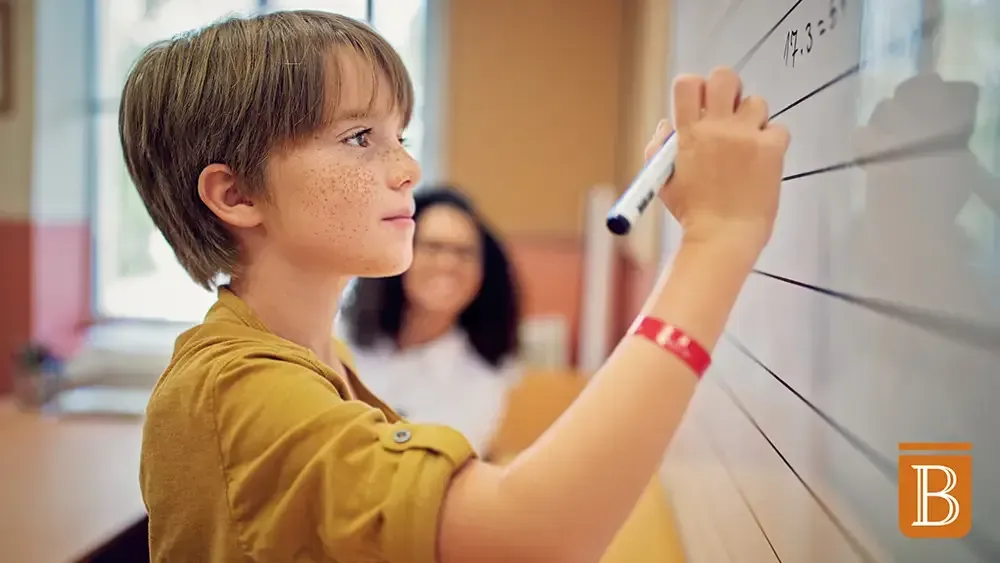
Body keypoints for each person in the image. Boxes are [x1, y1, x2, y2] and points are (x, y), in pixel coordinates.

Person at [122, 10, 789, 563]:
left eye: (399, 136)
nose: (408, 166)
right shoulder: (235, 385)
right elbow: (529, 534)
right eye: (360, 137)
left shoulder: (321, 357)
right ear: (235, 193)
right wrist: (717, 239)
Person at [337, 185, 521, 457]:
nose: (448, 264)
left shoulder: (485, 371)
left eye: (464, 252)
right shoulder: (339, 334)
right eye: (433, 247)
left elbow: (441, 464)